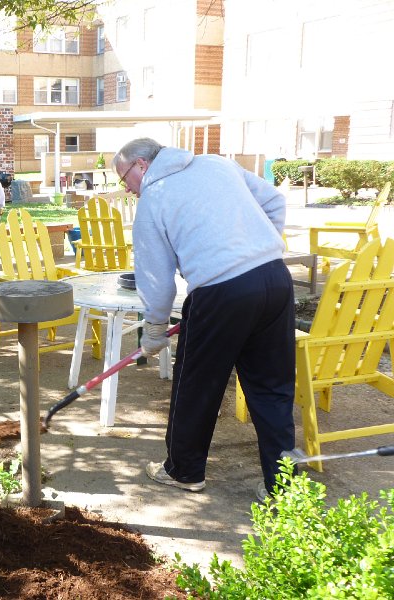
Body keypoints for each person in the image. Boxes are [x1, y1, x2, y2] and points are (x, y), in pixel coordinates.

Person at [112, 137, 295, 502]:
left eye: (123, 178)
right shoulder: (218, 164)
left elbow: (156, 277)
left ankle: (183, 471)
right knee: (272, 388)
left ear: (141, 166)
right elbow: (275, 201)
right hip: (275, 279)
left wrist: (154, 328)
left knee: (196, 385)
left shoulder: (153, 199)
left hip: (219, 293)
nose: (127, 189)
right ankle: (284, 488)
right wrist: (254, 251)